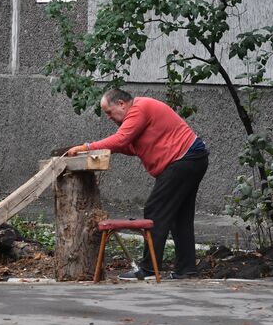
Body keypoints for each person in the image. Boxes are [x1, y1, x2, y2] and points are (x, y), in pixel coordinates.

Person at [67, 88, 209, 280]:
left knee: (155, 210)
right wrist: (98, 150)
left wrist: (87, 147)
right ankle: (187, 270)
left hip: (183, 160)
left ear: (121, 104)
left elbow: (121, 140)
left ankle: (149, 270)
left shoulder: (139, 108)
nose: (109, 117)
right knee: (179, 217)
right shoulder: (138, 116)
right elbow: (128, 146)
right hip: (191, 159)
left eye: (109, 112)